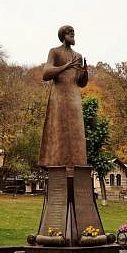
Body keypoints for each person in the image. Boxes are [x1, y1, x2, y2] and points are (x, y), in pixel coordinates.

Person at [38, 25, 88, 175]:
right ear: (63, 35)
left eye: (74, 33)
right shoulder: (55, 52)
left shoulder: (78, 56)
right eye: (70, 33)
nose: (73, 35)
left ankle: (77, 166)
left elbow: (81, 82)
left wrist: (85, 72)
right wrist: (66, 66)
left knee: (77, 131)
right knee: (58, 129)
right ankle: (57, 164)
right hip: (59, 96)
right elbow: (46, 73)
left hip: (74, 97)